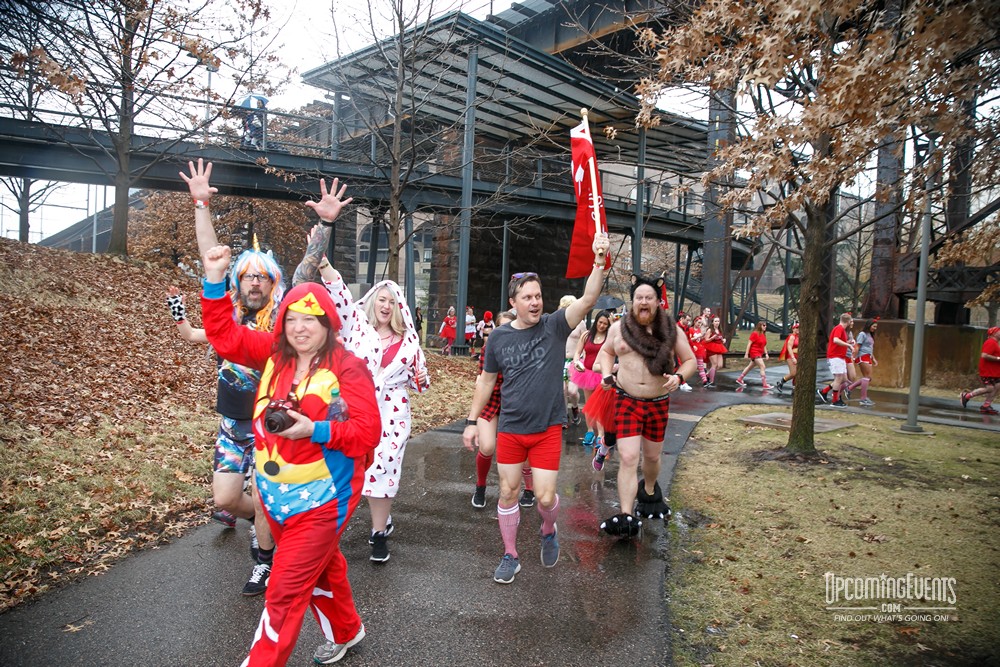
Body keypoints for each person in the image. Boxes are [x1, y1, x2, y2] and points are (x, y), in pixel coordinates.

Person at [200, 245, 382, 667]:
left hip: (325, 499)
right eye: (292, 320)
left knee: (284, 588)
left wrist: (313, 429)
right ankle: (347, 630)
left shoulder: (348, 367)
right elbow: (224, 335)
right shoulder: (273, 356)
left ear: (328, 323)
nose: (300, 328)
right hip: (276, 495)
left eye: (311, 320)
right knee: (322, 566)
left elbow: (367, 433)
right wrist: (214, 279)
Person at [461, 234, 611, 584]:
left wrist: (598, 262)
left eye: (538, 296)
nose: (535, 302)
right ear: (513, 302)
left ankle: (548, 529)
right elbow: (485, 382)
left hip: (546, 429)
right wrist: (472, 421)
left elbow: (589, 298)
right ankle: (510, 554)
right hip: (511, 428)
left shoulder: (555, 325)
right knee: (509, 491)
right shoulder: (499, 338)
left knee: (544, 497)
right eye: (527, 297)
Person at [173, 158, 279, 596]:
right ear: (239, 281)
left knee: (268, 500)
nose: (255, 282)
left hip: (272, 425)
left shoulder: (282, 324)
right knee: (225, 500)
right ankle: (264, 520)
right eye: (248, 275)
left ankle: (264, 560)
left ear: (274, 283)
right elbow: (211, 256)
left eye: (263, 277)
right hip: (231, 425)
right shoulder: (228, 319)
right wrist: (200, 204)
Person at [591, 274, 696, 536]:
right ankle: (626, 515)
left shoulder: (672, 330)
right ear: (633, 301)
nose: (644, 301)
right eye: (639, 297)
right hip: (626, 401)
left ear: (658, 302)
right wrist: (606, 373)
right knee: (628, 457)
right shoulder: (618, 328)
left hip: (658, 403)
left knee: (651, 457)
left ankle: (649, 490)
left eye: (649, 297)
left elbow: (690, 360)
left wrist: (679, 376)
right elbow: (606, 352)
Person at [470, 311, 535, 509]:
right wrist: (471, 419)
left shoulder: (525, 349)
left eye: (511, 326)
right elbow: (484, 380)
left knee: (523, 453)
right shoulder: (489, 348)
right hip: (491, 402)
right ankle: (480, 487)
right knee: (488, 446)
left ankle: (529, 490)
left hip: (516, 403)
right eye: (502, 327)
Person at [570, 310, 612, 448]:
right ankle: (589, 431)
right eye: (600, 322)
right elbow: (578, 352)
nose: (602, 326)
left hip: (601, 373)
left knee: (600, 404)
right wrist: (577, 362)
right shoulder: (587, 335)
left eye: (605, 324)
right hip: (586, 372)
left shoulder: (610, 338)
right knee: (589, 404)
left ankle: (601, 433)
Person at [960, 326, 1000, 415]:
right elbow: (984, 355)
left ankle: (986, 406)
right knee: (990, 388)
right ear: (994, 333)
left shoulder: (995, 343)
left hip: (995, 371)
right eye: (999, 331)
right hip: (988, 371)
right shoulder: (990, 342)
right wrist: (998, 358)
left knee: (997, 386)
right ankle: (966, 396)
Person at [817, 312, 854, 408]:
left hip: (840, 357)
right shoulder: (839, 328)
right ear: (848, 321)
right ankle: (835, 401)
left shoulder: (842, 329)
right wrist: (848, 345)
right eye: (851, 321)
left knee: (844, 379)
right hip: (835, 357)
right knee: (838, 379)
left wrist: (848, 342)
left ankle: (824, 391)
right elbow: (835, 340)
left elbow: (838, 341)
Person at [562, 295, 584, 431]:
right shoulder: (560, 323)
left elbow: (584, 342)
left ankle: (575, 408)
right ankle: (563, 417)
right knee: (562, 390)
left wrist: (583, 360)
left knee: (572, 391)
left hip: (574, 360)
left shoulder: (580, 323)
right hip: (561, 359)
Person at [846, 318, 879, 406]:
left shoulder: (870, 335)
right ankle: (863, 398)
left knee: (868, 378)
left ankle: (850, 388)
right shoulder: (862, 334)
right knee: (867, 377)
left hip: (868, 356)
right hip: (862, 356)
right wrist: (853, 357)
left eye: (876, 327)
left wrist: (873, 358)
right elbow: (857, 346)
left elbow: (870, 348)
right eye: (874, 326)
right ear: (869, 325)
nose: (875, 328)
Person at [735, 320, 771, 389]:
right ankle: (764, 384)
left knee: (750, 367)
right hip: (754, 352)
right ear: (760, 326)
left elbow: (764, 345)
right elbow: (749, 344)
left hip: (760, 353)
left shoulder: (763, 334)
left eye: (766, 325)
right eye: (763, 325)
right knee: (762, 366)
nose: (765, 327)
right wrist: (746, 353)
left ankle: (740, 379)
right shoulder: (755, 334)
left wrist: (766, 354)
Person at [702, 315, 728, 387]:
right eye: (715, 321)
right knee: (714, 364)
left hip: (719, 347)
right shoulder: (710, 330)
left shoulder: (719, 330)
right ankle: (711, 381)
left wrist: (723, 340)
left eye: (718, 321)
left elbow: (720, 339)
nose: (717, 323)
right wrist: (712, 337)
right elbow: (706, 339)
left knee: (720, 365)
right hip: (711, 347)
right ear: (712, 322)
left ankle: (707, 375)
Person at [775, 322, 800, 392]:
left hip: (798, 355)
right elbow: (789, 347)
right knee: (793, 373)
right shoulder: (792, 336)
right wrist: (793, 357)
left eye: (799, 328)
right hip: (791, 356)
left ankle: (795, 386)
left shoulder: (799, 336)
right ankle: (781, 381)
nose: (798, 329)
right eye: (796, 328)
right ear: (793, 329)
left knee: (797, 372)